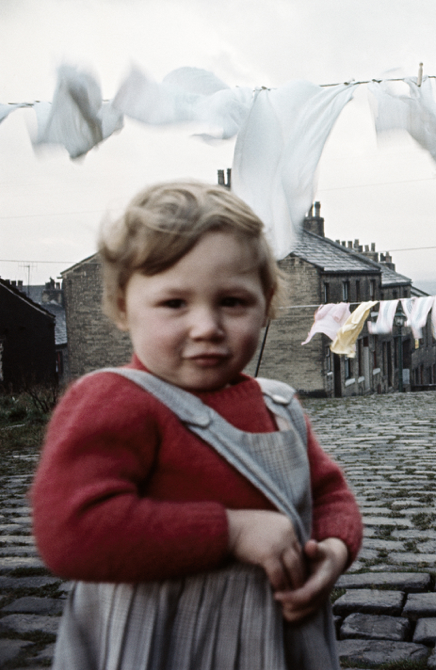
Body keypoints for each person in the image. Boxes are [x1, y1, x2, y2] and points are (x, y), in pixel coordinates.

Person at [31, 181, 363, 669]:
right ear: (123, 306)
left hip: (278, 641)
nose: (206, 325)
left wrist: (334, 549)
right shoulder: (114, 400)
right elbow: (70, 532)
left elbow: (329, 494)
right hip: (159, 644)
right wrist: (228, 532)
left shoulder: (279, 405)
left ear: (266, 303)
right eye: (174, 304)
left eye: (232, 302)